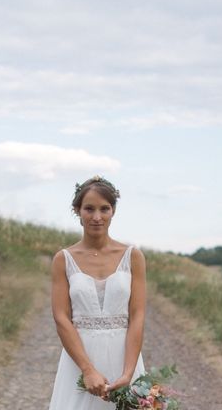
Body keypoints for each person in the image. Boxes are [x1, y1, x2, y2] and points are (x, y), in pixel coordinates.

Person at [48, 175, 146, 409]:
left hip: (124, 357)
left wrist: (129, 373)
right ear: (77, 211)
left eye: (105, 209)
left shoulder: (133, 256)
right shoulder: (64, 259)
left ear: (113, 211)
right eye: (89, 208)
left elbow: (138, 316)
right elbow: (61, 318)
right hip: (80, 359)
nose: (97, 217)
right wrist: (88, 370)